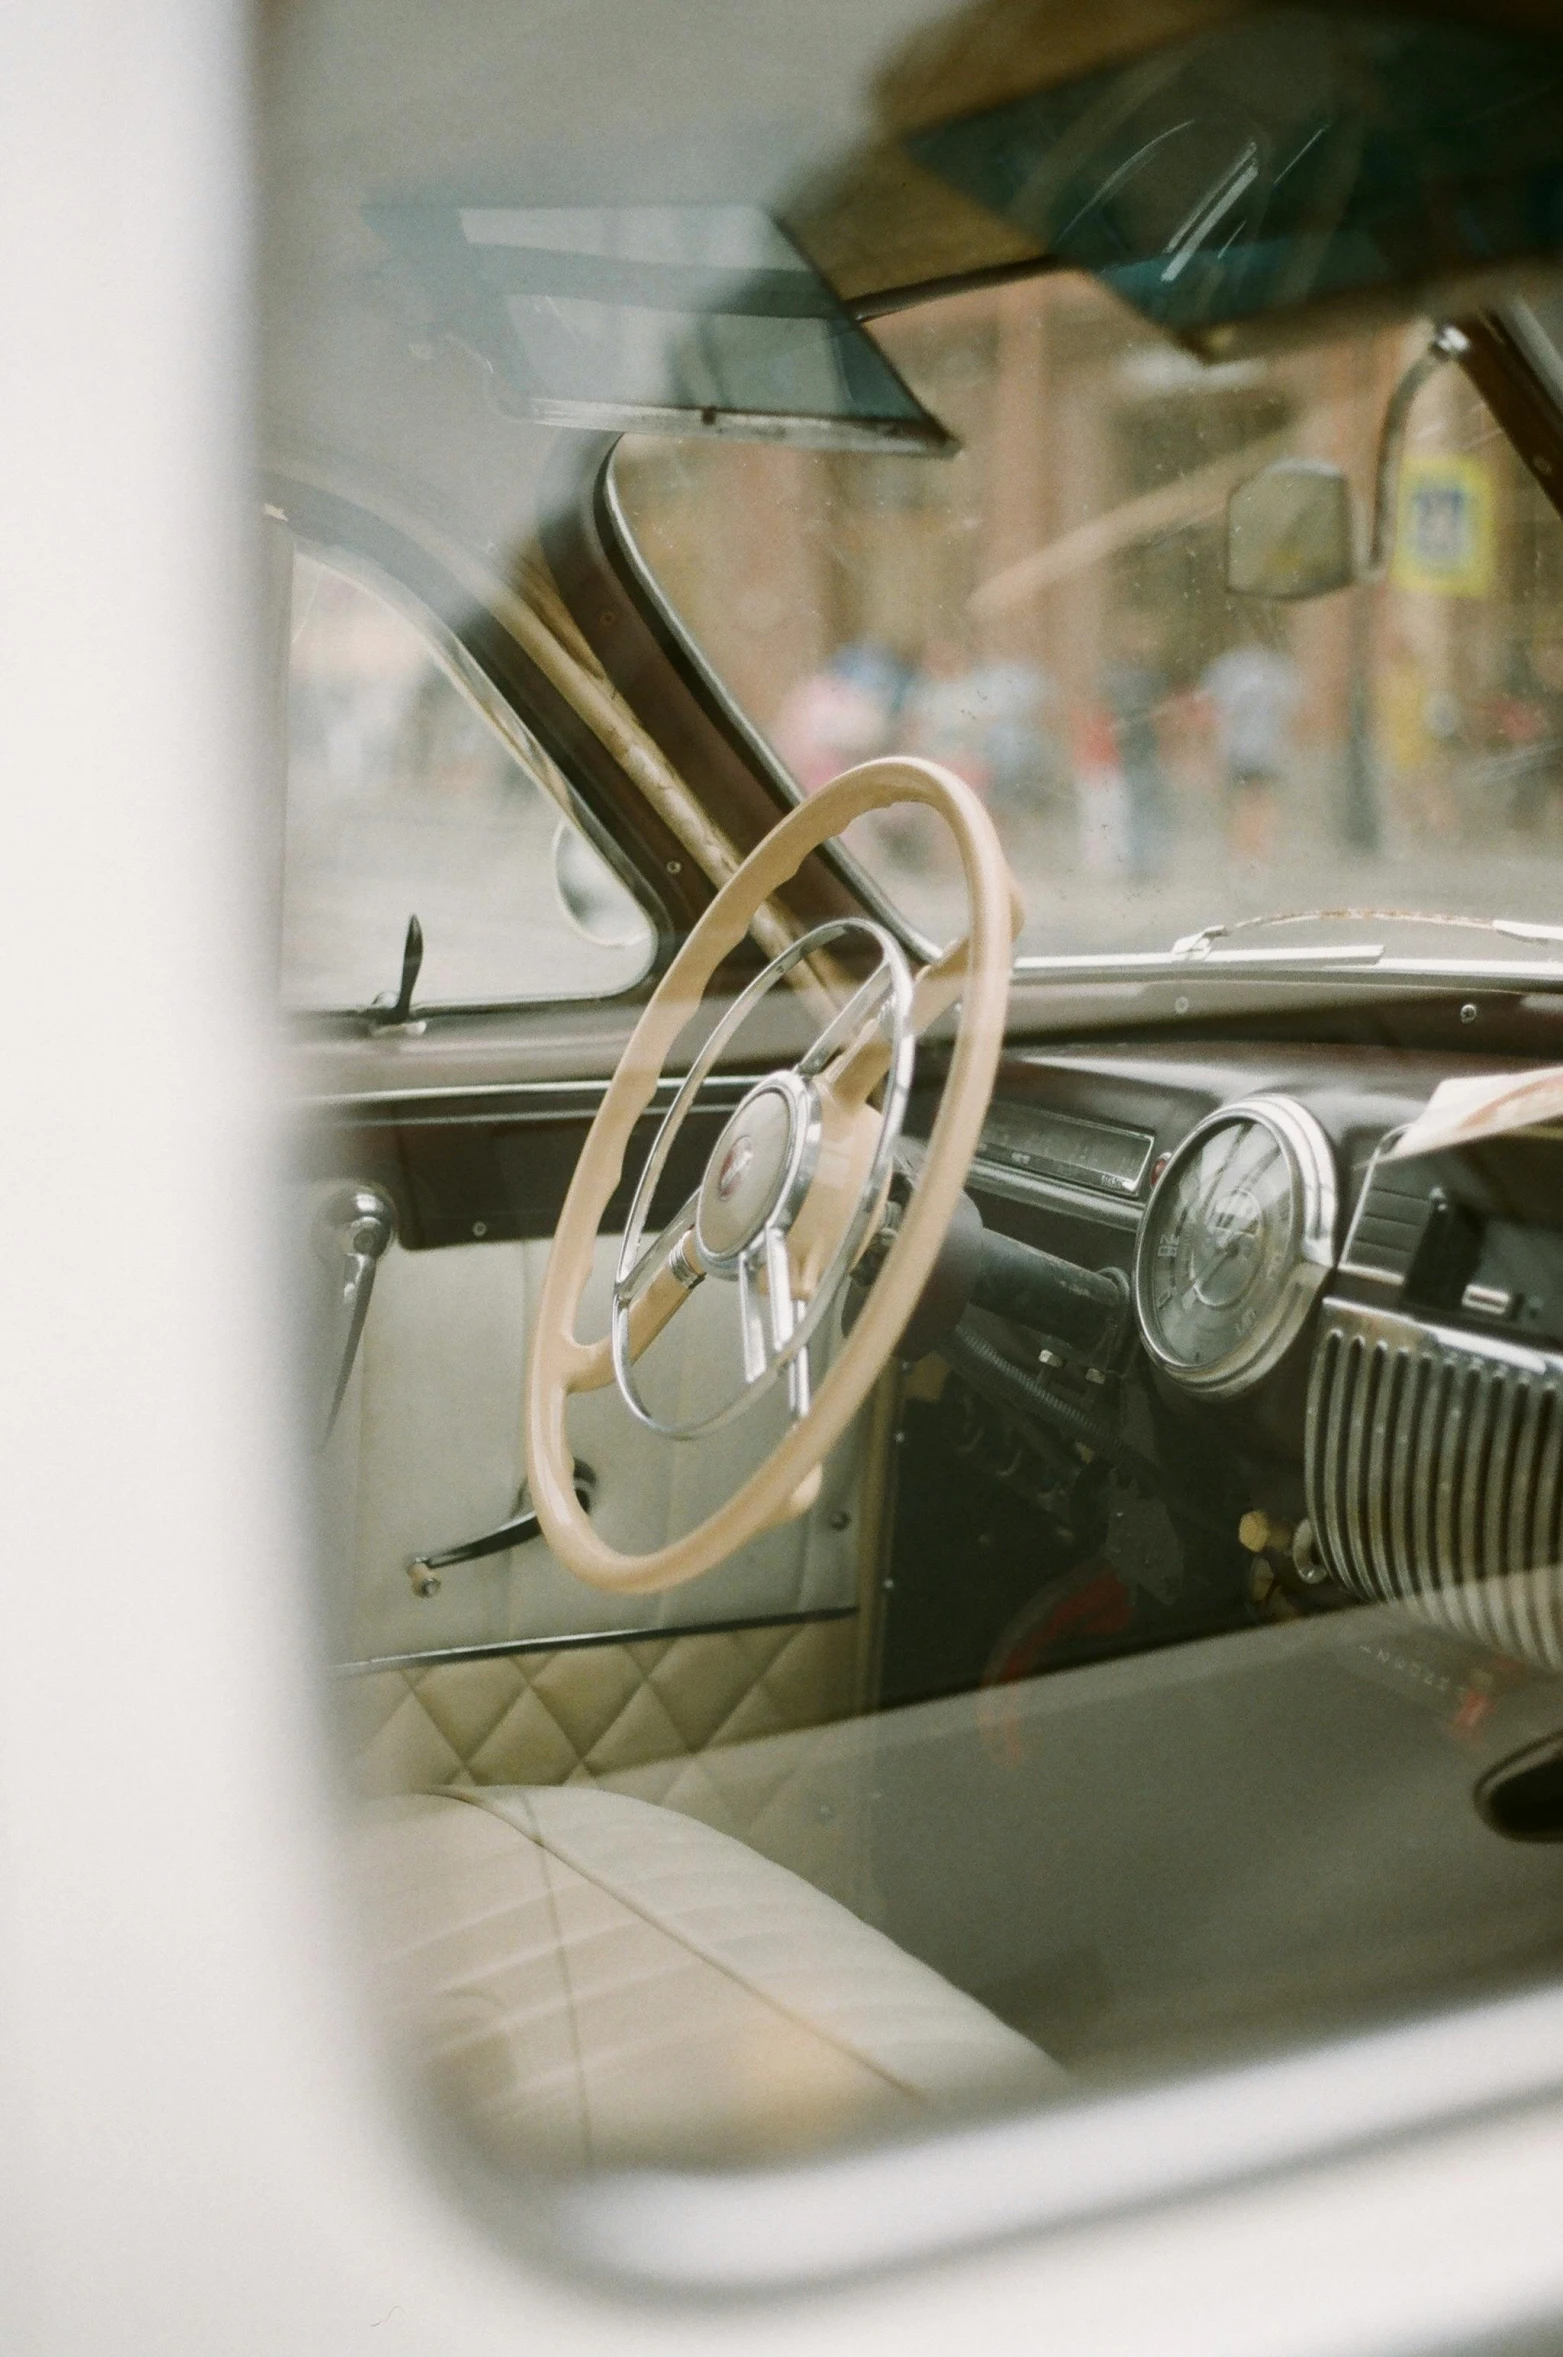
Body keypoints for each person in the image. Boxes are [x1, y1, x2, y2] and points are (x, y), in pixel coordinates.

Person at [1200, 637, 1302, 868]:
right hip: (1264, 751)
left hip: (1241, 750)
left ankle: (1245, 857)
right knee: (1259, 804)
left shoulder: (1228, 668)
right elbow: (1293, 713)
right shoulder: (1278, 669)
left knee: (1242, 805)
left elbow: (1213, 712)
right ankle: (1255, 857)